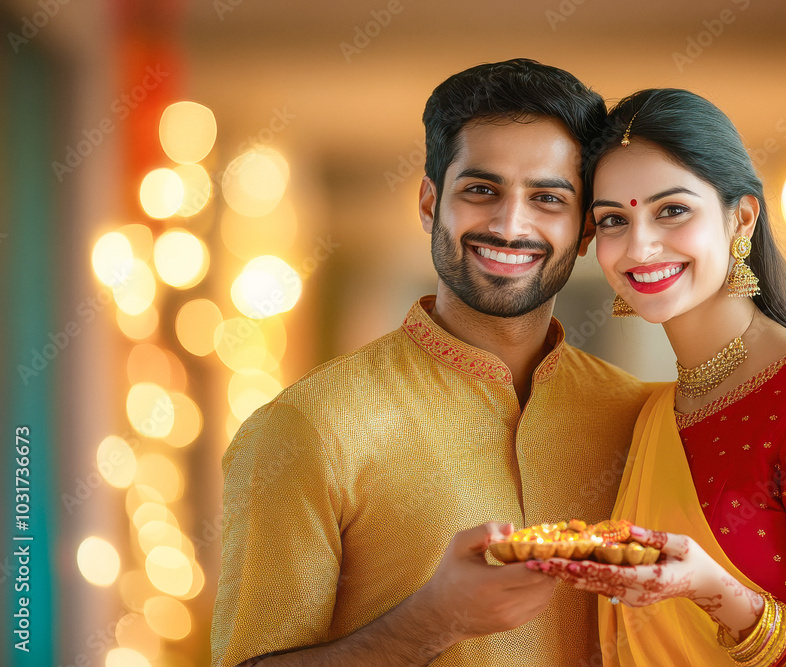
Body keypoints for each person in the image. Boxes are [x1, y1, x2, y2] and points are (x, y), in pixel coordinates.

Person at [210, 59, 656, 667]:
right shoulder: (309, 427)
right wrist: (434, 619)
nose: (509, 224)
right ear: (429, 204)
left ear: (584, 229)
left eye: (548, 198)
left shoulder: (641, 418)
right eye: (481, 190)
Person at [528, 89, 786, 666]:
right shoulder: (653, 412)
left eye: (672, 210)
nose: (640, 246)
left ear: (741, 217)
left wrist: (718, 595)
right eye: (614, 219)